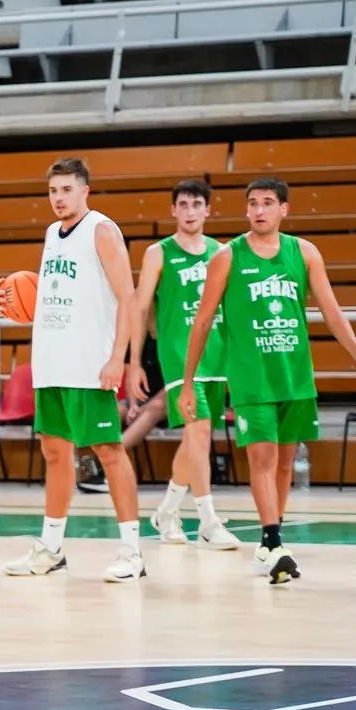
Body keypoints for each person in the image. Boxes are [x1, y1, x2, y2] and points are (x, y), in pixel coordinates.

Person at [180, 177, 356, 583]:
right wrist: (187, 382)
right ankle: (272, 540)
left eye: (267, 202)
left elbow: (331, 310)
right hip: (252, 378)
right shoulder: (227, 256)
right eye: (253, 203)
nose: (258, 210)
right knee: (263, 456)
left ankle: (271, 543)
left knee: (286, 461)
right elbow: (202, 322)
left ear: (283, 209)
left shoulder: (304, 253)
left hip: (294, 375)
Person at [0, 158, 145, 583]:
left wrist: (118, 357)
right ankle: (51, 549)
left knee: (108, 451)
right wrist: (3, 296)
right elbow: (48, 292)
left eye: (66, 190)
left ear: (85, 191)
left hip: (89, 363)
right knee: (54, 452)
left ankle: (132, 552)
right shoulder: (52, 234)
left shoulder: (102, 229)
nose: (59, 198)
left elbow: (128, 297)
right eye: (53, 191)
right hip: (51, 361)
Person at [126, 179, 240, 550]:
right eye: (184, 205)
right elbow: (140, 308)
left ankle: (168, 510)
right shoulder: (158, 253)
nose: (190, 212)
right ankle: (208, 520)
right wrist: (134, 362)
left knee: (196, 437)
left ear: (208, 210)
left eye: (197, 205)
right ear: (173, 210)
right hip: (178, 355)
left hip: (217, 353)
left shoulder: (222, 252)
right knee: (200, 430)